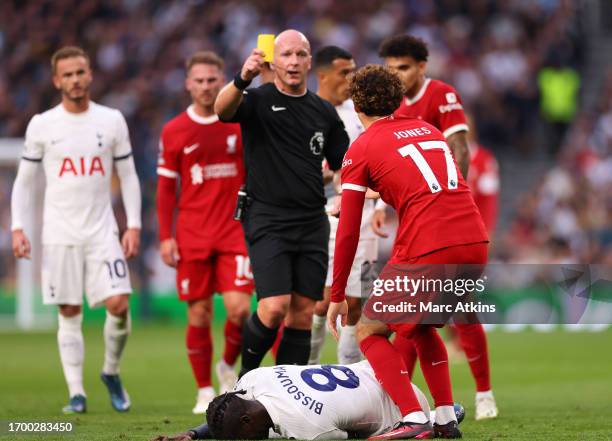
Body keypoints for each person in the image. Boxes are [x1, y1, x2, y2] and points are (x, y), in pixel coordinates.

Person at [327, 65, 489, 439]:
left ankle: (413, 416)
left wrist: (338, 296)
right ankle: (445, 418)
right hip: (474, 243)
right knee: (422, 329)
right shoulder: (429, 130)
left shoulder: (361, 148)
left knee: (369, 327)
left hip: (430, 246)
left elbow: (349, 229)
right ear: (398, 98)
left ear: (356, 104)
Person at [373, 35, 498, 421]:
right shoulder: (388, 106)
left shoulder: (441, 96)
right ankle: (404, 402)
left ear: (422, 67)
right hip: (414, 224)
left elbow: (459, 147)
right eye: (391, 67)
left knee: (458, 311)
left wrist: (449, 198)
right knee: (412, 317)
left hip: (446, 224)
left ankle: (483, 393)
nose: (397, 74)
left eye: (404, 67)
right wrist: (379, 203)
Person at [11, 46, 141, 414]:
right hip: (59, 234)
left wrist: (133, 224)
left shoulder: (111, 120)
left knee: (119, 304)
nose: (75, 79)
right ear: (57, 80)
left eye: (80, 72)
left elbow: (128, 175)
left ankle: (111, 372)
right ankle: (77, 394)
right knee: (69, 311)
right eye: (67, 74)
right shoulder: (42, 124)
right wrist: (18, 227)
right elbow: (24, 181)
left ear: (90, 74)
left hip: (102, 231)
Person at [214, 30, 349, 376]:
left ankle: (285, 397)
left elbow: (343, 165)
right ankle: (243, 383)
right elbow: (222, 110)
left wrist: (345, 191)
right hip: (267, 218)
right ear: (273, 61)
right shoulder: (257, 100)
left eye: (300, 55)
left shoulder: (323, 113)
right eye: (286, 54)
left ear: (309, 62)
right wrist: (242, 77)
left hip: (311, 221)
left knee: (304, 312)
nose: (293, 61)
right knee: (274, 308)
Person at [156, 51, 254, 414]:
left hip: (235, 229)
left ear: (222, 79)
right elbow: (166, 189)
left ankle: (227, 365)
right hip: (193, 232)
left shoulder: (240, 121)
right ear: (187, 84)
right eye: (198, 80)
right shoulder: (174, 130)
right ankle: (202, 389)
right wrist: (166, 235)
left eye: (212, 79)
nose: (206, 86)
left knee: (240, 309)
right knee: (198, 314)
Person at [150, 361, 466, 440]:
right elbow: (230, 412)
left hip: (401, 406)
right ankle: (444, 414)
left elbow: (353, 435)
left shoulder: (307, 428)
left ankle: (434, 420)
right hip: (374, 368)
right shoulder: (252, 380)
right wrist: (194, 433)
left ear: (247, 421)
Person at [309, 46, 377, 365]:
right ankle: (306, 367)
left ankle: (347, 371)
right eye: (344, 72)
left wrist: (379, 209)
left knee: (356, 299)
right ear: (322, 76)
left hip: (362, 216)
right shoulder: (305, 111)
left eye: (354, 70)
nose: (351, 78)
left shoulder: (361, 113)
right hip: (317, 216)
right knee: (322, 302)